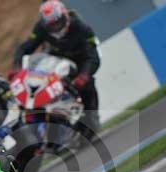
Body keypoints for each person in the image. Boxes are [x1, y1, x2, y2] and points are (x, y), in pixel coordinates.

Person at [12, 0, 101, 136]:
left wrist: (84, 75)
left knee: (87, 85)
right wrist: (17, 67)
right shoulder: (41, 27)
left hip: (79, 61)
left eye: (57, 23)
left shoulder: (82, 28)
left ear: (64, 16)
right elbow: (26, 46)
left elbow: (93, 56)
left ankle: (91, 118)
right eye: (50, 25)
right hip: (55, 60)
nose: (55, 28)